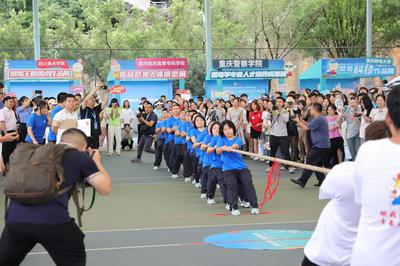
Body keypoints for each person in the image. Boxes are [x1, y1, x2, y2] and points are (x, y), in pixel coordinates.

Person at [0, 128, 111, 266]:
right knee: (74, 256)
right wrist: (96, 161)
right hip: (53, 221)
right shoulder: (79, 156)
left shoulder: (38, 153)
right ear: (83, 147)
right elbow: (105, 188)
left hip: (15, 219)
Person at [301, 118, 390, 266]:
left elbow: (325, 192)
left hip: (324, 255)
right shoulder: (392, 180)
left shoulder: (345, 171)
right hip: (359, 257)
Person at [351, 85, 400, 266]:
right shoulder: (369, 151)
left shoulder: (368, 151)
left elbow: (360, 198)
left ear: (387, 117)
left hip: (370, 257)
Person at [216, 120, 259, 216]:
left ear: (233, 129)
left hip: (241, 167)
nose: (227, 131)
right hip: (228, 169)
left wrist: (230, 147)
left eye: (229, 128)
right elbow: (218, 151)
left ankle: (254, 206)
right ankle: (233, 207)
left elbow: (235, 146)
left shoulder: (238, 139)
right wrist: (222, 148)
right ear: (222, 131)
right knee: (232, 186)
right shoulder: (221, 139)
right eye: (225, 129)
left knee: (248, 184)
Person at [291, 103, 330, 188]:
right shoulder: (320, 118)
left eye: (311, 109)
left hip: (320, 145)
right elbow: (309, 125)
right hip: (322, 145)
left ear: (315, 110)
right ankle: (322, 181)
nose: (309, 110)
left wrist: (298, 121)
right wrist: (301, 120)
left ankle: (302, 181)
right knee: (317, 164)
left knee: (310, 161)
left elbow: (306, 128)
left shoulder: (319, 119)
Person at [264, 97, 294, 173]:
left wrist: (279, 112)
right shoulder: (273, 110)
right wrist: (271, 111)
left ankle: (289, 166)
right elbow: (267, 118)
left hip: (283, 135)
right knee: (272, 152)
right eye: (277, 102)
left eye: (280, 102)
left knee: (285, 152)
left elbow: (286, 120)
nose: (279, 103)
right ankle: (270, 166)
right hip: (273, 134)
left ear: (283, 103)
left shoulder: (285, 111)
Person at [339, 96, 361, 160]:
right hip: (349, 136)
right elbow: (339, 122)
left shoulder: (359, 110)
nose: (353, 104)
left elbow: (358, 122)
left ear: (357, 103)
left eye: (354, 103)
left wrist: (355, 114)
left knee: (358, 154)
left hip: (358, 135)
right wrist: (341, 115)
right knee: (353, 155)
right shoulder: (346, 110)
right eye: (351, 103)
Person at [0, 96, 18, 164]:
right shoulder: (2, 111)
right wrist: (6, 133)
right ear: (5, 102)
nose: (12, 103)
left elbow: (15, 123)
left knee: (13, 150)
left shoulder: (13, 112)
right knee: (5, 151)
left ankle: (11, 166)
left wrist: (16, 133)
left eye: (13, 102)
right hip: (6, 133)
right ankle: (3, 166)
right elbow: (2, 123)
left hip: (13, 132)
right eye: (10, 102)